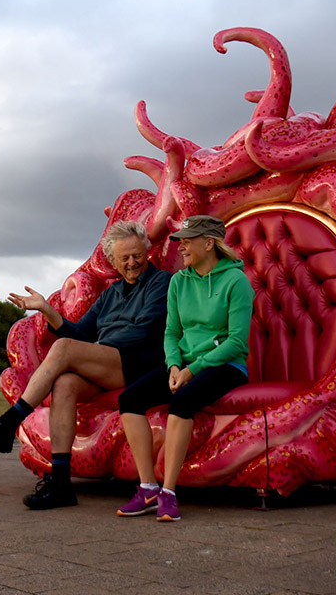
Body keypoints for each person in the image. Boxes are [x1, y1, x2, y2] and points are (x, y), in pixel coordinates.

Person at [0, 220, 172, 510]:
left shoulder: (161, 282)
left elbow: (145, 331)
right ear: (114, 261)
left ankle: (7, 425)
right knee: (64, 384)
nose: (132, 263)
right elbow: (81, 334)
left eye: (137, 255)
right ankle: (61, 483)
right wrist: (46, 309)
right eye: (124, 258)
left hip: (139, 363)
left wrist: (89, 352)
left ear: (147, 253)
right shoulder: (110, 294)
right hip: (106, 363)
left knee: (64, 349)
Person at [116, 215, 253, 521]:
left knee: (182, 401)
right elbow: (172, 333)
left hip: (226, 365)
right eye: (180, 241)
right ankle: (147, 487)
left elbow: (236, 341)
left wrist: (193, 370)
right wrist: (175, 364)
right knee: (129, 399)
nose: (181, 247)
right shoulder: (179, 280)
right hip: (185, 365)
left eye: (188, 241)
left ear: (209, 243)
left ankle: (168, 493)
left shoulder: (237, 281)